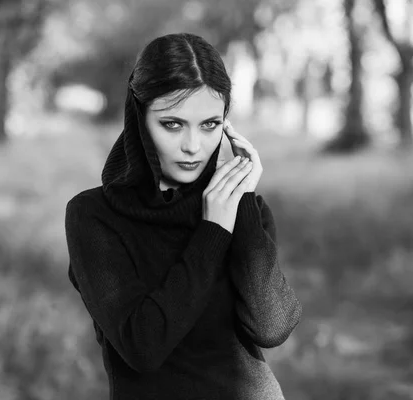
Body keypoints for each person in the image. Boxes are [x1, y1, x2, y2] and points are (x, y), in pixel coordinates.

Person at [64, 32, 302, 400]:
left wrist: (241, 204)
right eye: (172, 124)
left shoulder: (243, 207)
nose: (193, 146)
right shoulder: (93, 217)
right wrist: (212, 231)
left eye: (209, 125)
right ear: (139, 118)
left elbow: (271, 327)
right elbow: (143, 347)